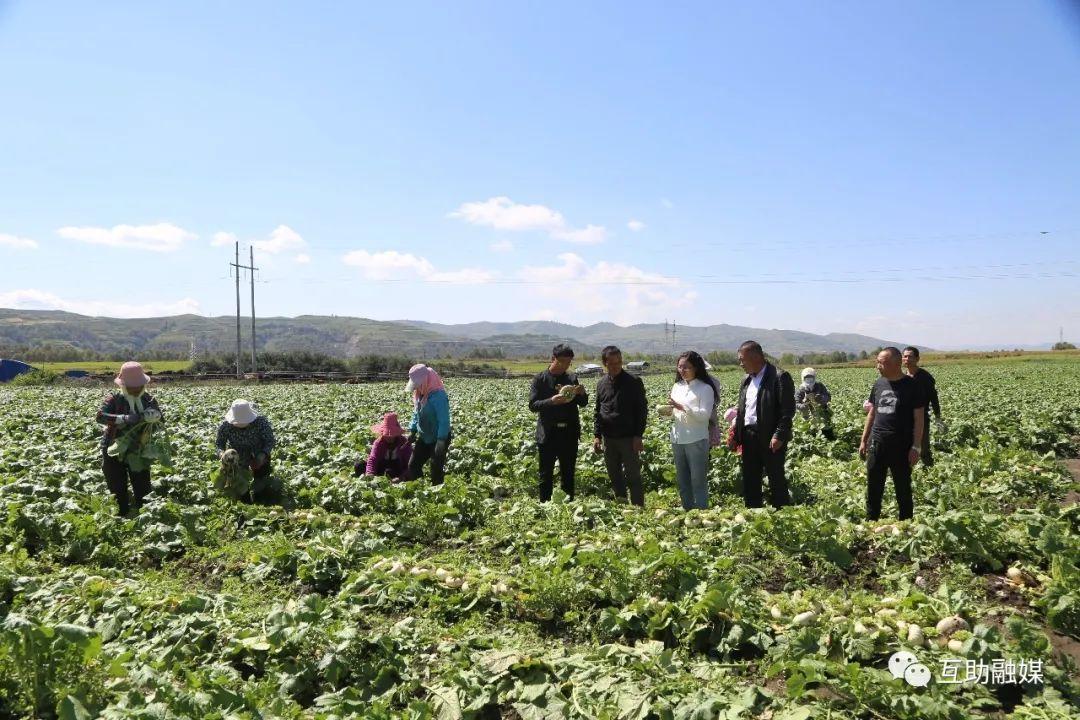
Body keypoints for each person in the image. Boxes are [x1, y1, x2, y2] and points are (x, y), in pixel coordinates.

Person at [859, 347, 927, 520]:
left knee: (902, 487)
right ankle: (871, 522)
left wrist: (916, 446)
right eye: (877, 362)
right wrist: (864, 439)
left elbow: (919, 419)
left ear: (896, 364)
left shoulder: (912, 386)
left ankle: (906, 523)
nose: (878, 366)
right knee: (874, 487)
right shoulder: (879, 383)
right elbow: (872, 413)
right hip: (877, 443)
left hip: (901, 445)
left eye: (882, 363)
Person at [732, 341, 795, 508]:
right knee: (750, 477)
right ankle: (753, 512)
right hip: (749, 436)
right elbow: (742, 410)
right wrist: (736, 434)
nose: (740, 364)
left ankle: (782, 514)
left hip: (770, 436)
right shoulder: (746, 380)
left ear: (756, 357)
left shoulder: (779, 377)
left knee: (776, 477)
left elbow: (787, 411)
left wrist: (779, 435)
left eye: (742, 359)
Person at [95, 361, 163, 516]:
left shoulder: (148, 400)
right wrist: (123, 418)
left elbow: (161, 420)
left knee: (143, 486)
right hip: (113, 447)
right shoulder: (113, 399)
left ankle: (146, 516)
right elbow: (100, 417)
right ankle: (122, 517)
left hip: (139, 448)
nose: (135, 390)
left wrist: (155, 417)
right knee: (117, 487)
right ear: (123, 386)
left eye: (138, 387)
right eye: (132, 388)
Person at [529, 344, 588, 501]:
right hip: (547, 434)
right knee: (545, 474)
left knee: (568, 473)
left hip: (568, 434)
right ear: (553, 358)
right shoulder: (539, 379)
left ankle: (568, 507)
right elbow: (533, 405)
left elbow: (583, 403)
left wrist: (581, 393)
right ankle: (544, 505)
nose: (565, 365)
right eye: (562, 361)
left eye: (568, 363)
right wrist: (551, 401)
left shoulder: (571, 378)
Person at [662, 351, 719, 510]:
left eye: (686, 367)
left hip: (697, 439)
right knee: (683, 480)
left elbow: (704, 416)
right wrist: (667, 412)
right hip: (677, 438)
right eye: (680, 367)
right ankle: (687, 510)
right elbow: (674, 413)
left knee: (698, 480)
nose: (682, 370)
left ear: (696, 368)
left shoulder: (705, 388)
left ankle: (702, 512)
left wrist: (683, 407)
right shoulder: (677, 386)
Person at [593, 346, 649, 506]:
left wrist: (638, 435)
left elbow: (642, 410)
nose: (616, 365)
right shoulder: (601, 384)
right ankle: (622, 506)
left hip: (629, 438)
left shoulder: (633, 382)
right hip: (608, 439)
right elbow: (598, 412)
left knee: (633, 476)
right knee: (614, 475)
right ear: (605, 363)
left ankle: (638, 508)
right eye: (612, 363)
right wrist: (597, 436)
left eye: (619, 362)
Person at [216, 399, 279, 504]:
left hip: (259, 451)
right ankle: (245, 503)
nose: (239, 424)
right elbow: (219, 443)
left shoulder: (260, 422)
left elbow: (269, 441)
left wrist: (262, 455)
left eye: (243, 422)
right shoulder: (226, 425)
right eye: (237, 422)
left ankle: (261, 499)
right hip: (237, 455)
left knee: (261, 479)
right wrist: (222, 454)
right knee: (240, 483)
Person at [406, 364, 452, 484]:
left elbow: (444, 420)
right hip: (424, 435)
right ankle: (421, 490)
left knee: (435, 468)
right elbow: (417, 413)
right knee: (413, 465)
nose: (416, 387)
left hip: (438, 438)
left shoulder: (439, 396)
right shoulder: (420, 393)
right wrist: (413, 430)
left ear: (425, 380)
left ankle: (437, 495)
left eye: (418, 384)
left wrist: (441, 441)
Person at [902, 346, 942, 467]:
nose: (907, 359)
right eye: (905, 356)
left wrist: (938, 417)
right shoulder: (902, 377)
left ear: (917, 359)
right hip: (904, 419)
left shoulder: (925, 377)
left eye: (910, 356)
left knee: (923, 448)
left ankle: (930, 471)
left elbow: (933, 397)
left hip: (921, 418)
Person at [356, 412, 413, 480]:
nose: (389, 437)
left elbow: (410, 466)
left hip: (397, 471)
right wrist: (370, 473)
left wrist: (401, 478)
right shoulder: (379, 443)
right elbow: (373, 459)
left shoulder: (404, 443)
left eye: (391, 434)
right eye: (386, 434)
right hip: (381, 468)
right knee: (359, 466)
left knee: (390, 472)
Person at [795, 367, 834, 439]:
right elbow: (796, 403)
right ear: (803, 378)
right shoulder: (800, 389)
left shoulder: (819, 386)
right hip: (808, 417)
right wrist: (803, 406)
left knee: (828, 435)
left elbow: (828, 397)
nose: (809, 381)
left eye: (811, 378)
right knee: (811, 435)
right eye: (807, 378)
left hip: (822, 416)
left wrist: (822, 398)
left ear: (814, 377)